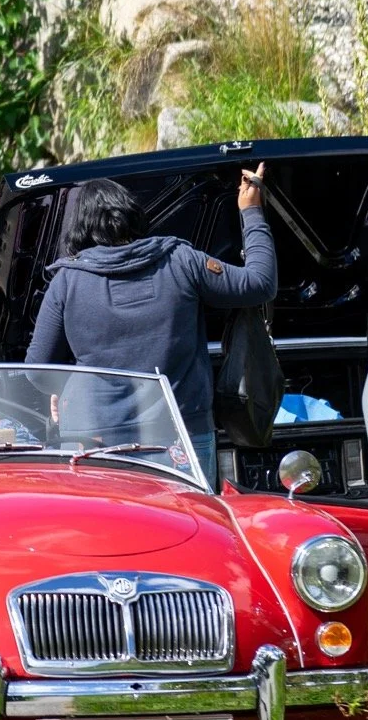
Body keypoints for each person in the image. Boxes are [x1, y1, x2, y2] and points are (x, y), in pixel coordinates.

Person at [25, 166, 276, 486]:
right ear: (130, 212)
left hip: (94, 440)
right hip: (180, 435)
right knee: (191, 529)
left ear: (77, 226)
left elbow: (36, 371)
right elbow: (260, 283)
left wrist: (65, 388)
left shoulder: (66, 281)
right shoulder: (181, 260)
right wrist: (251, 211)